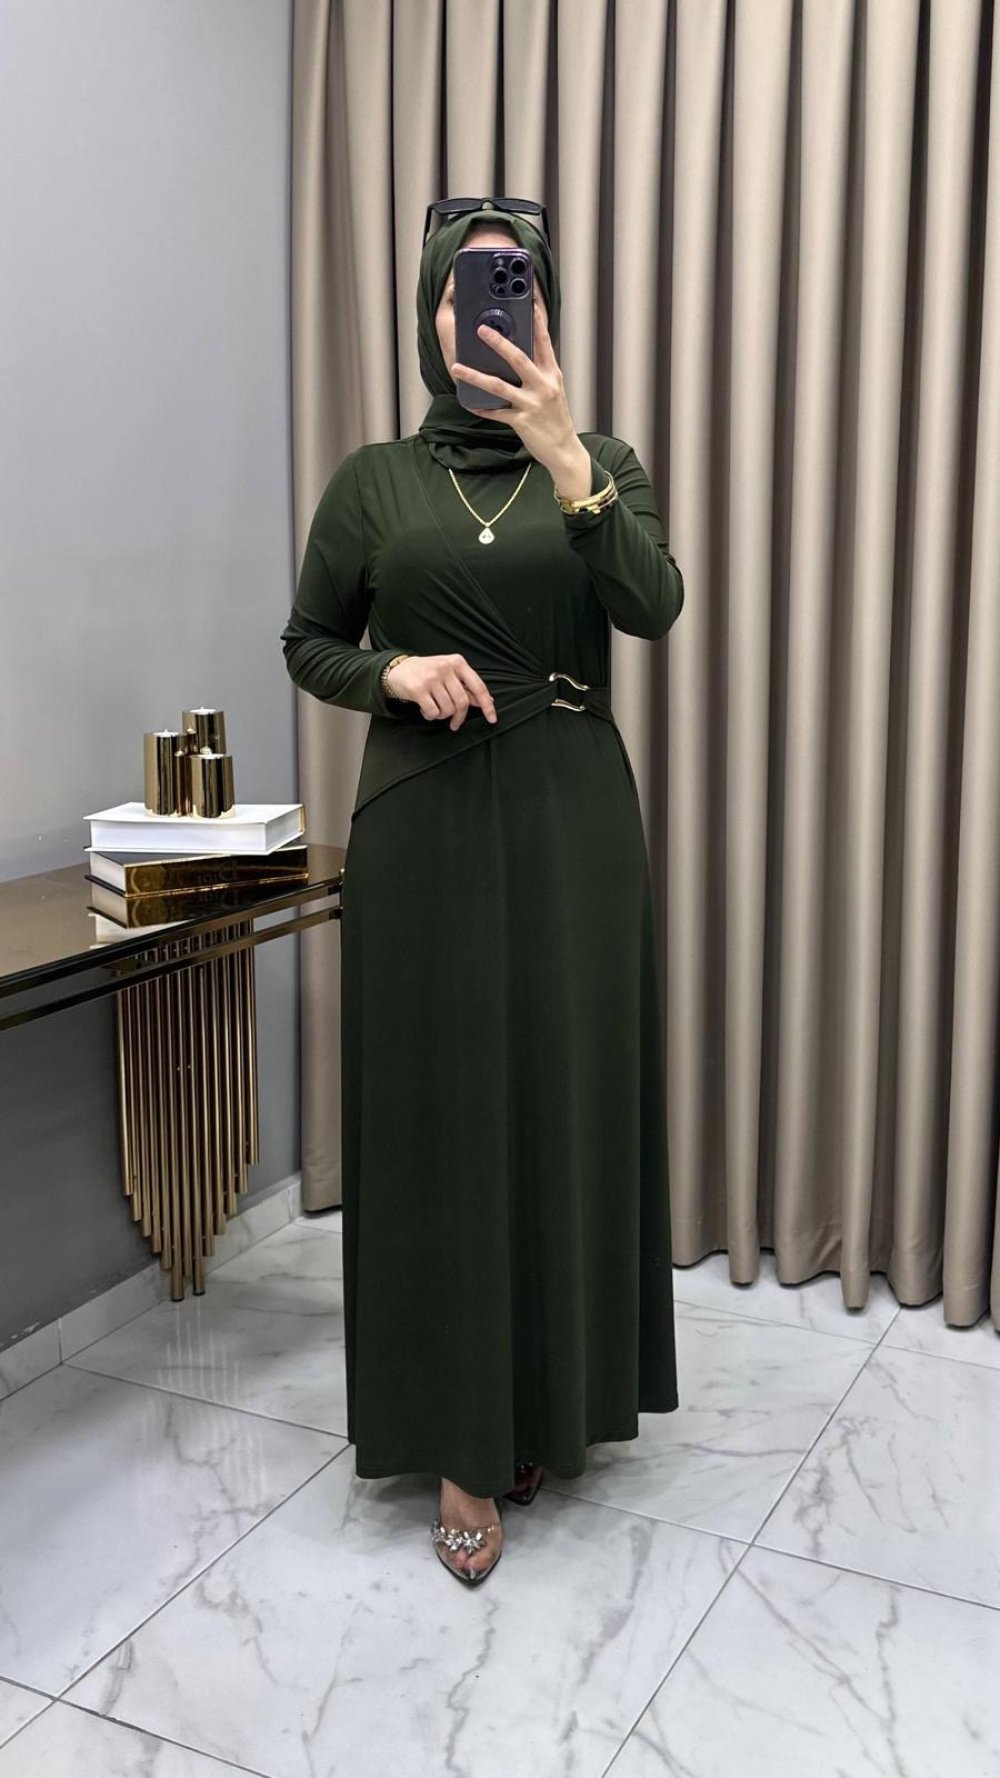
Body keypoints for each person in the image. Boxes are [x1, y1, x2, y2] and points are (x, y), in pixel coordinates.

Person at [280, 201, 684, 1587]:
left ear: (546, 313)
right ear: (428, 315)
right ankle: (458, 1436)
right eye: (462, 293)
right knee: (443, 1118)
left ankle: (557, 1400)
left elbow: (652, 605)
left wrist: (567, 455)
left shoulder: (603, 462)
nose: (486, 315)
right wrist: (391, 671)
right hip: (425, 818)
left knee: (562, 1095)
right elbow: (309, 641)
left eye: (513, 291)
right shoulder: (374, 482)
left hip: (573, 816)